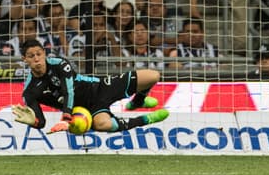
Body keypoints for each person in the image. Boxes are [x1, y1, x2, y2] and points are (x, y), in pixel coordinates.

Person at [12, 38, 170, 134]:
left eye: (39, 54)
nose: (37, 59)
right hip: (86, 110)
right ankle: (146, 119)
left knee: (153, 76)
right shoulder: (29, 92)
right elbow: (41, 122)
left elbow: (69, 91)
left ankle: (137, 102)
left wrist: (66, 116)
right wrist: (34, 123)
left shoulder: (59, 63)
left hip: (99, 88)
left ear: (44, 53)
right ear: (24, 59)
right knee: (103, 124)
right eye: (31, 56)